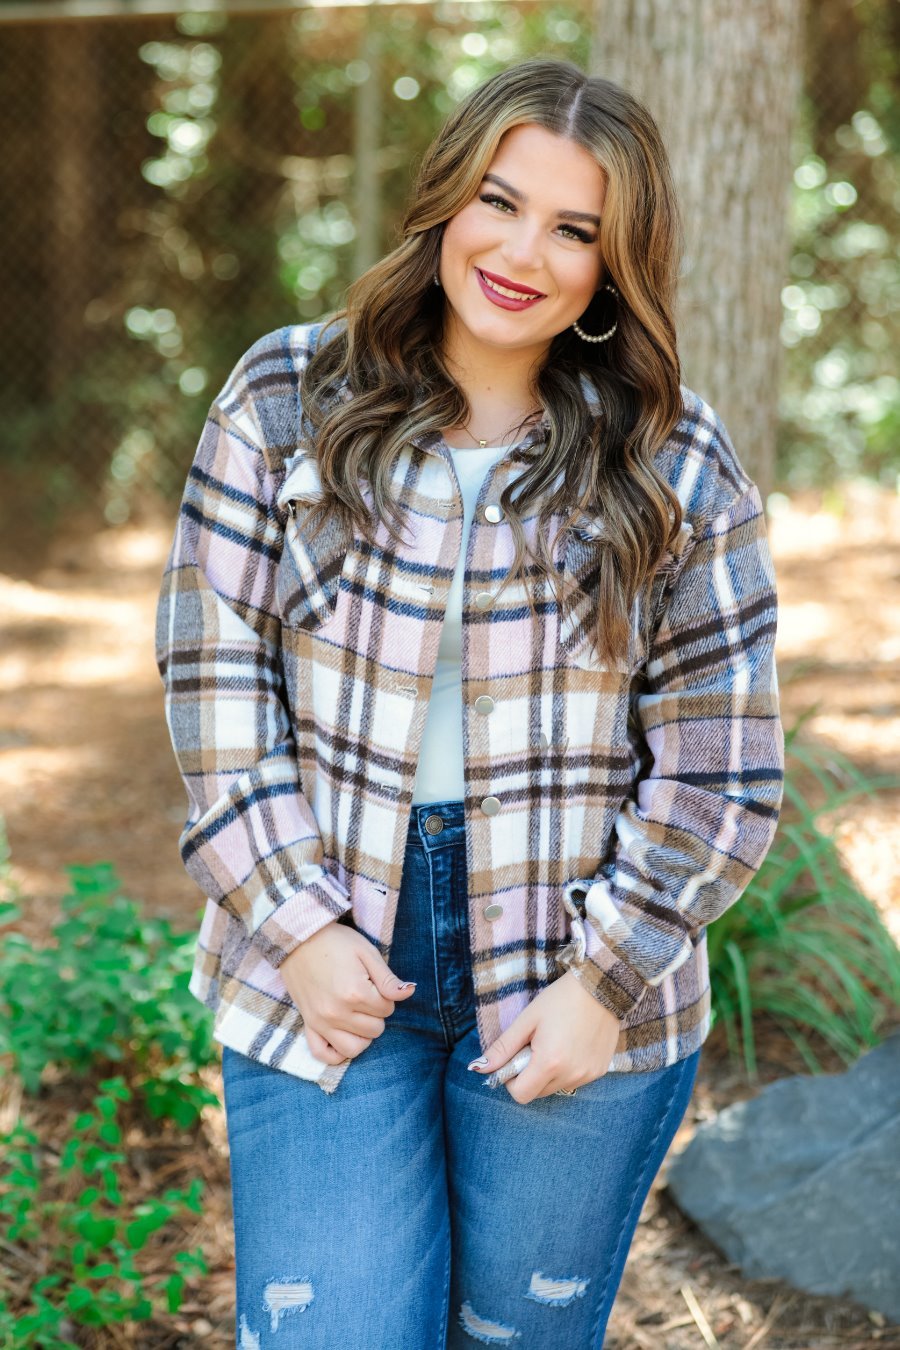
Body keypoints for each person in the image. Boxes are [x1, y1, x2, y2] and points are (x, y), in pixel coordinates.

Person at [155, 56, 785, 1350]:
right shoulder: (283, 399)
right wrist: (297, 924)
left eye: (575, 229)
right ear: (447, 197)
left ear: (615, 266)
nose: (522, 251)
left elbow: (720, 764)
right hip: (325, 963)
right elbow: (214, 680)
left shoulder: (674, 457)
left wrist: (604, 980)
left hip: (573, 977)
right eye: (500, 201)